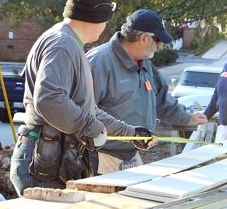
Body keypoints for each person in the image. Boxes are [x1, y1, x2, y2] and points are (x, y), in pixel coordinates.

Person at [10, 0, 138, 195]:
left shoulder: (67, 42)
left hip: (52, 159)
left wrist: (131, 133)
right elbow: (49, 99)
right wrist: (92, 128)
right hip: (45, 164)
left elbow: (87, 109)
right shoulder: (62, 44)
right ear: (99, 17)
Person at [86, 9, 208, 174]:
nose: (159, 46)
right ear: (144, 38)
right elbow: (85, 111)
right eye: (158, 41)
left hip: (132, 154)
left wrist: (187, 118)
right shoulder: (99, 62)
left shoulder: (144, 64)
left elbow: (161, 100)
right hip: (101, 157)